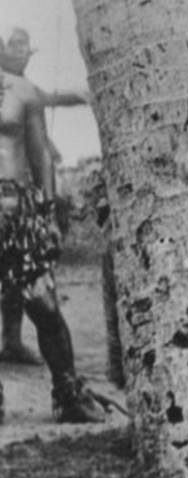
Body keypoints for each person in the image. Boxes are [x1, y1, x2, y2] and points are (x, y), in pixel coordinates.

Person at [0, 49, 106, 421]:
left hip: (15, 209)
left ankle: (67, 393)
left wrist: (46, 215)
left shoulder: (22, 91)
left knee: (43, 303)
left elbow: (40, 155)